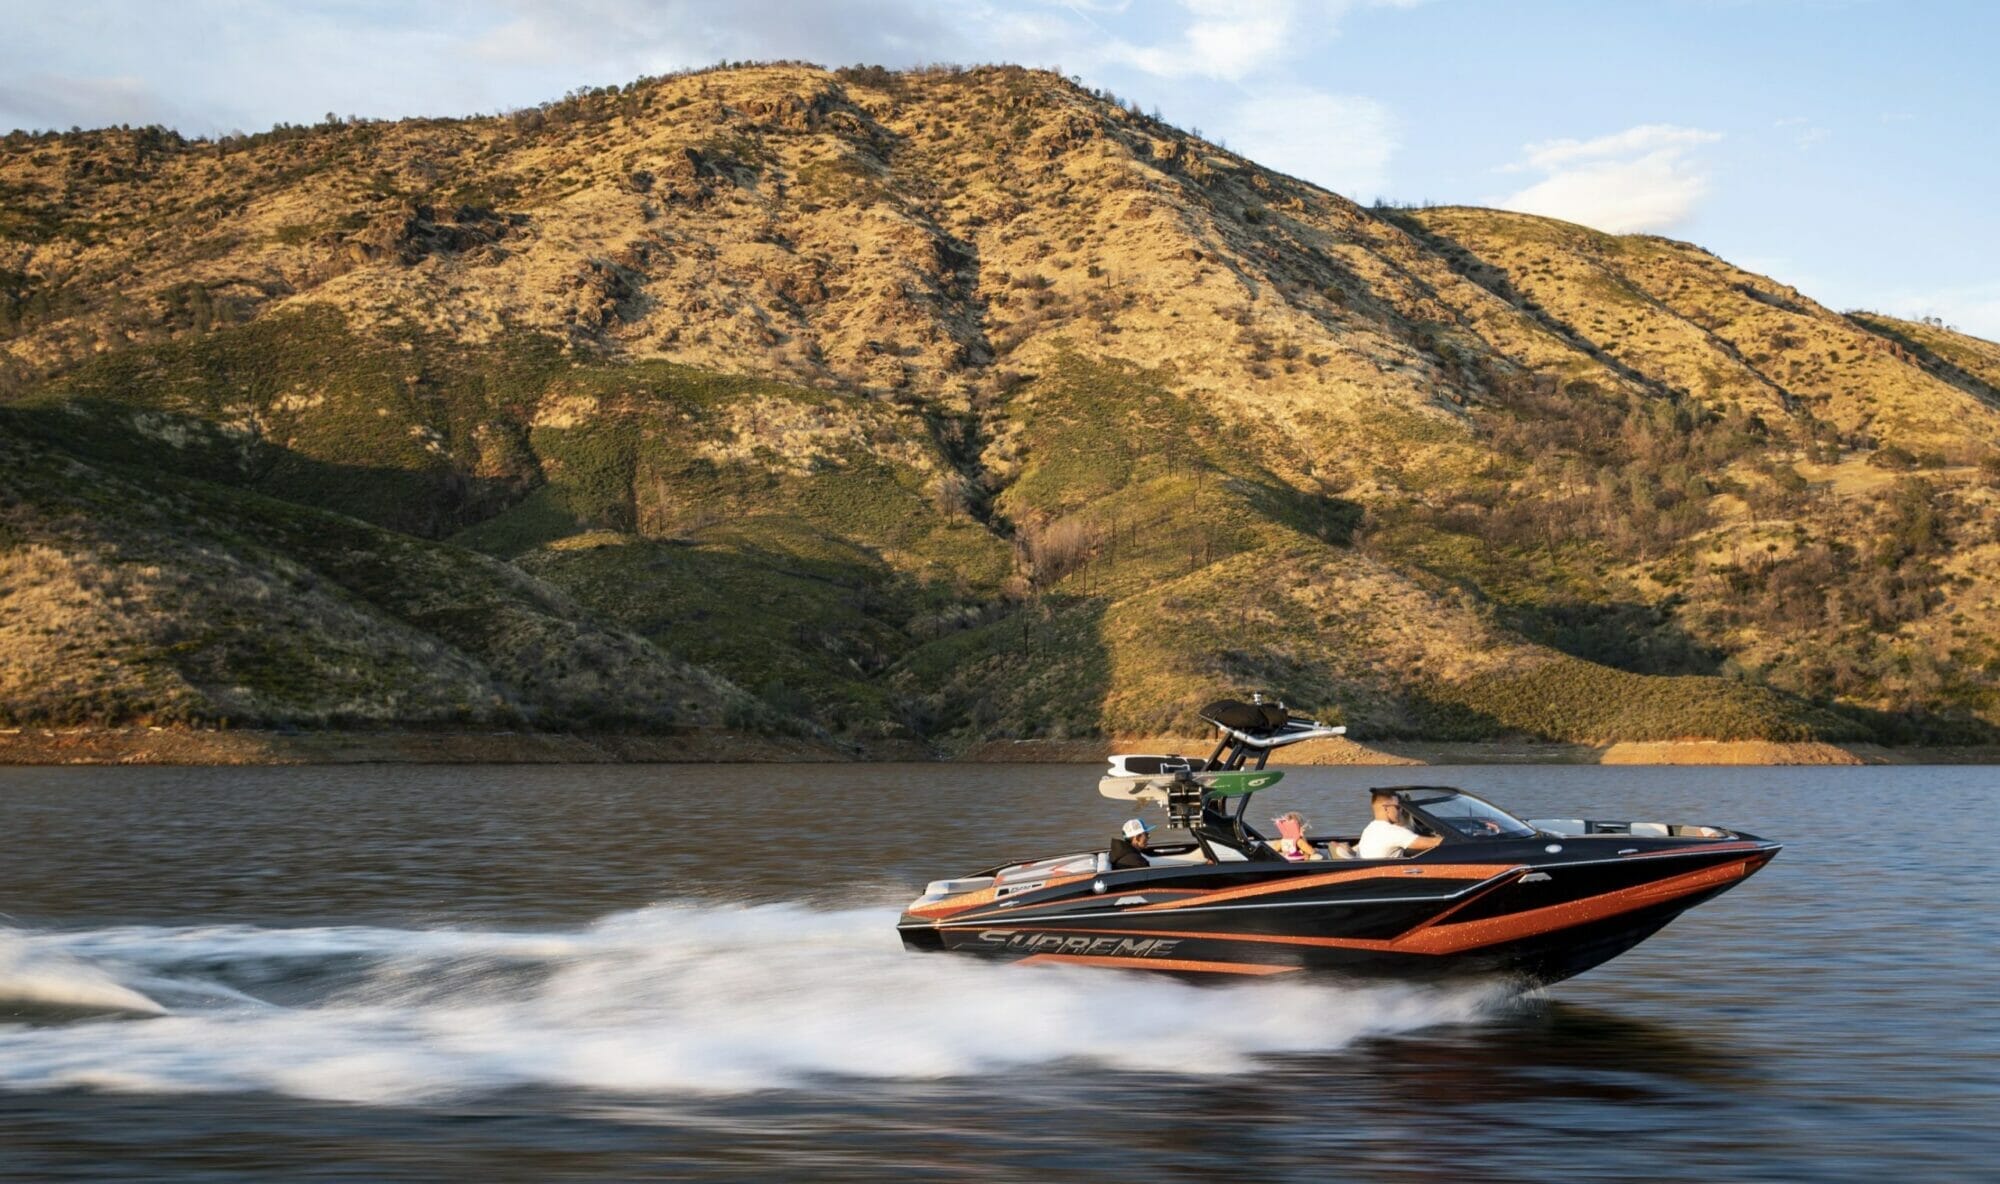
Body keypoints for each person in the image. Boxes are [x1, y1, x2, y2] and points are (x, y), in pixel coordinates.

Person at [1357, 789, 1441, 860]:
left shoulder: (1370, 829)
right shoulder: (1393, 832)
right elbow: (1436, 843)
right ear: (1386, 808)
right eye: (1398, 807)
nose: (1401, 811)